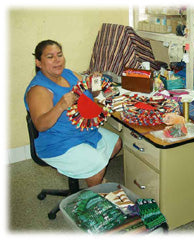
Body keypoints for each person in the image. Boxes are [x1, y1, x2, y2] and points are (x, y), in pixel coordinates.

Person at [24, 40, 122, 187]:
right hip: (58, 141)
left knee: (116, 143)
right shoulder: (38, 90)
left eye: (59, 55)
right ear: (39, 62)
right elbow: (40, 125)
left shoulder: (69, 74)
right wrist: (60, 106)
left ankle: (90, 173)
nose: (57, 60)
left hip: (81, 131)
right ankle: (94, 185)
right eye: (50, 57)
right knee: (98, 166)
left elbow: (90, 93)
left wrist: (95, 84)